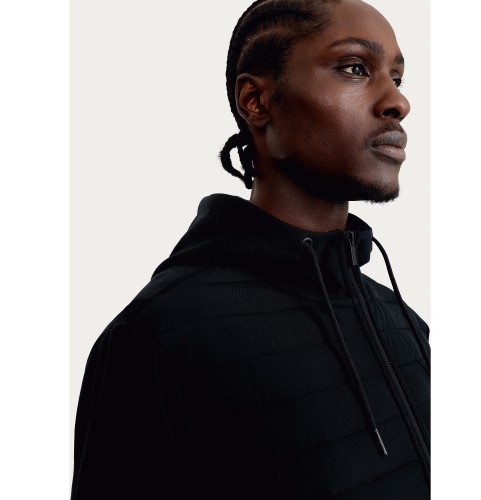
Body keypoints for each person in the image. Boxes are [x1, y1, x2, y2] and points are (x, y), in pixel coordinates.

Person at [71, 0, 430, 498]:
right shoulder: (157, 338)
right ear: (256, 101)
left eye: (397, 77)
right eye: (354, 68)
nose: (397, 102)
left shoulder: (405, 323)